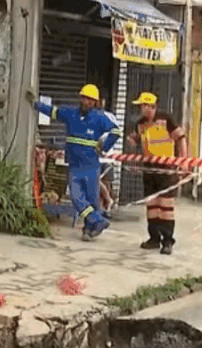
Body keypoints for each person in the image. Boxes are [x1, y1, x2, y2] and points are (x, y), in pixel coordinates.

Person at [26, 85, 121, 240]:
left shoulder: (100, 117)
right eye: (84, 98)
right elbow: (53, 111)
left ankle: (89, 229)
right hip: (74, 166)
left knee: (92, 199)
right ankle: (98, 220)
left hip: (91, 166)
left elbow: (116, 131)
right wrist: (35, 103)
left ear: (95, 102)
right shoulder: (71, 113)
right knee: (77, 198)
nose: (86, 101)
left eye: (90, 99)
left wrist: (105, 146)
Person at [126, 92, 188, 255]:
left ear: (150, 106)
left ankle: (167, 241)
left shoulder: (166, 120)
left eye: (143, 106)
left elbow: (181, 138)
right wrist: (131, 141)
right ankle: (154, 238)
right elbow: (136, 139)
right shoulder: (140, 124)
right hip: (149, 168)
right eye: (140, 106)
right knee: (151, 204)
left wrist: (183, 161)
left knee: (165, 205)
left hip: (166, 168)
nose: (141, 109)